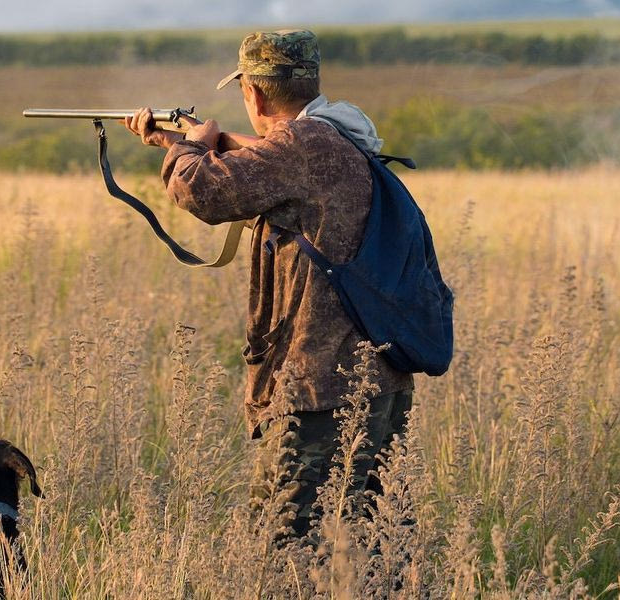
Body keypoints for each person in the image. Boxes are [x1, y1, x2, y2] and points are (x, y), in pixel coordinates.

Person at [123, 29, 414, 540]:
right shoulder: (337, 135)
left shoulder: (302, 146)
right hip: (373, 379)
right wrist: (181, 142)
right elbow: (251, 175)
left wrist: (187, 148)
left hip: (320, 389)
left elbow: (205, 192)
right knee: (370, 547)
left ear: (253, 93)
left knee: (287, 552)